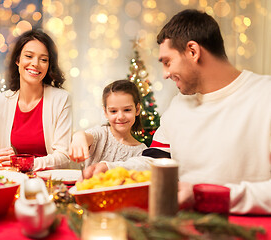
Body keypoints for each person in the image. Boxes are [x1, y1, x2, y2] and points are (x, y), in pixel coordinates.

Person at [82, 9, 271, 215]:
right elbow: (155, 161)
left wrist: (204, 196)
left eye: (167, 62)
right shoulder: (179, 105)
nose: (165, 74)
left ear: (193, 51)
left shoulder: (264, 96)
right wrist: (112, 169)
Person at [0, 29, 72, 170]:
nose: (35, 63)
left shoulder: (61, 99)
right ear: (18, 60)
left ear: (49, 66)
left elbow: (63, 156)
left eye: (43, 59)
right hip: (12, 180)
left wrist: (24, 164)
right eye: (29, 56)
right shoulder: (1, 101)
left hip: (49, 183)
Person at [69, 80, 147, 171]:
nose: (120, 117)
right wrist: (79, 136)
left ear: (137, 109)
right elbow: (85, 136)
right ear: (106, 112)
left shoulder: (141, 151)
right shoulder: (100, 134)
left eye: (127, 110)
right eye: (113, 111)